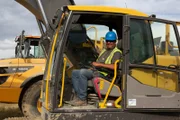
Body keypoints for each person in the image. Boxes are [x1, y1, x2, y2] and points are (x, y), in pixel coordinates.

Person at [69, 31, 122, 106]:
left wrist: (99, 64)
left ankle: (82, 99)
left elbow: (114, 67)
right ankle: (78, 96)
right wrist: (91, 68)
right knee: (75, 72)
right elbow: (97, 64)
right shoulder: (104, 50)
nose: (109, 42)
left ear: (115, 41)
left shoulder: (117, 52)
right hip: (97, 71)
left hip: (106, 74)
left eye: (111, 41)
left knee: (82, 73)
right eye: (107, 41)